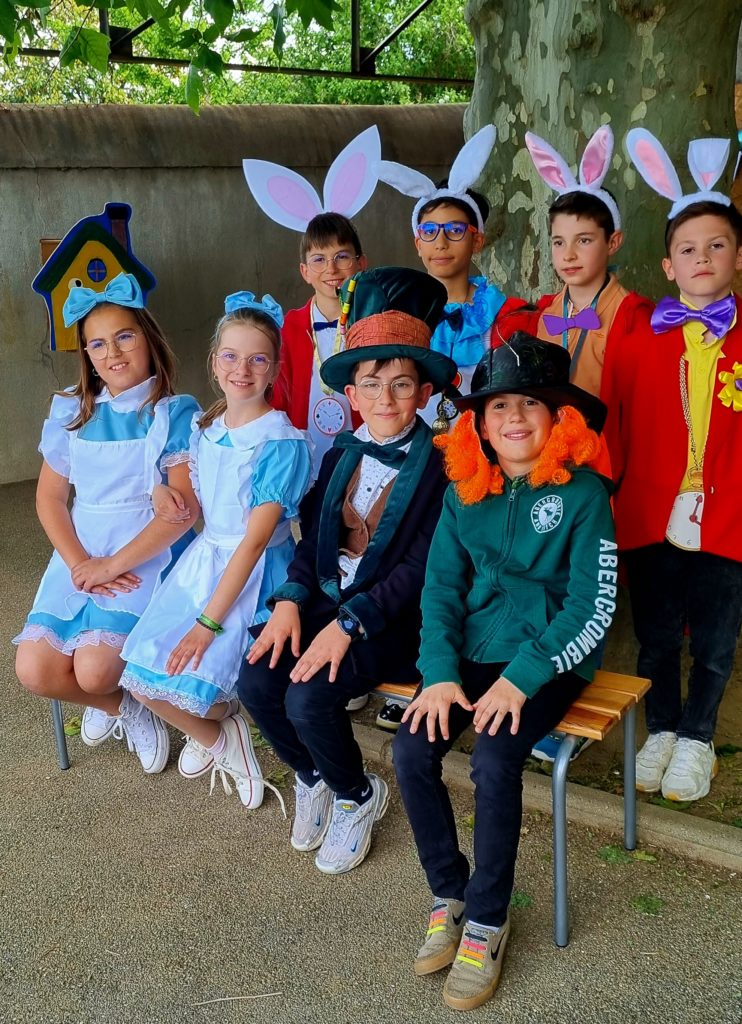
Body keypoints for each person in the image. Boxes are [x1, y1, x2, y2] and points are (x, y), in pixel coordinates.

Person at [393, 333, 614, 1011]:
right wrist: (438, 672)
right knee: (411, 748)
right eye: (497, 407)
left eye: (529, 404)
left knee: (494, 757)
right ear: (480, 427)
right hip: (470, 652)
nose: (513, 416)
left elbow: (591, 606)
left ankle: (488, 919)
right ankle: (450, 893)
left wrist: (521, 678)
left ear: (558, 418)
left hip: (550, 656)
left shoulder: (584, 495)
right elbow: (440, 590)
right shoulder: (465, 495)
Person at [238, 267, 457, 873]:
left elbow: (421, 568)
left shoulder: (443, 469)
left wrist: (350, 624)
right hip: (323, 602)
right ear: (352, 395)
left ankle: (357, 794)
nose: (386, 399)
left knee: (308, 699)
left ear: (424, 393)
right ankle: (314, 775)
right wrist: (289, 600)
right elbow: (313, 540)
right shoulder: (340, 452)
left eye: (402, 384)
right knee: (254, 680)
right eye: (371, 384)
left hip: (392, 621)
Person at [119, 293, 313, 807]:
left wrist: (207, 623)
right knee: (141, 677)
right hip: (204, 562)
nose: (241, 370)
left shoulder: (280, 441)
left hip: (253, 574)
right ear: (213, 361)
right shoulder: (203, 428)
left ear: (274, 368)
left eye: (257, 359)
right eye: (230, 356)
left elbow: (254, 541)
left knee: (198, 674)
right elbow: (194, 501)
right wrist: (160, 491)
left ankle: (219, 723)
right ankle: (223, 738)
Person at [377, 125, 533, 730]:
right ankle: (421, 674)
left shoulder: (506, 313)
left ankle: (502, 677)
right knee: (413, 560)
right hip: (418, 459)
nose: (441, 242)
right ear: (416, 240)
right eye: (429, 231)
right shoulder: (399, 312)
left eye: (455, 230)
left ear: (478, 237)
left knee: (491, 563)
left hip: (488, 462)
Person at [14, 272, 200, 773]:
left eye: (124, 337)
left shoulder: (173, 413)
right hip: (80, 551)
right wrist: (82, 564)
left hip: (145, 552)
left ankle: (115, 691)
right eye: (97, 344)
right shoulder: (71, 410)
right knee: (33, 669)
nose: (112, 353)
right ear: (87, 355)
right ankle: (124, 706)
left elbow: (183, 512)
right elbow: (50, 497)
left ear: (148, 338)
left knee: (94, 670)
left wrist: (110, 567)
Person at [604, 129, 742, 802]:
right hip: (651, 508)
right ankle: (661, 728)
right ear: (667, 265)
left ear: (738, 256)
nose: (702, 258)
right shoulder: (636, 338)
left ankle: (698, 737)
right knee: (656, 635)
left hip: (730, 513)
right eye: (688, 248)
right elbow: (613, 423)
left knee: (715, 640)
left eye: (717, 245)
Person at [523, 125, 651, 763]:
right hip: (543, 472)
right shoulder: (540, 313)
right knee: (540, 582)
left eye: (584, 240)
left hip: (602, 476)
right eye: (558, 241)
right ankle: (536, 698)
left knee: (589, 589)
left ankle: (572, 709)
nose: (569, 254)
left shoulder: (635, 315)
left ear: (613, 242)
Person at [242, 127, 380, 473]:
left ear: (361, 264)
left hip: (368, 460)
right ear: (304, 271)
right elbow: (277, 397)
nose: (331, 269)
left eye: (342, 257)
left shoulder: (377, 323)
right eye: (319, 260)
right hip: (303, 461)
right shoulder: (288, 327)